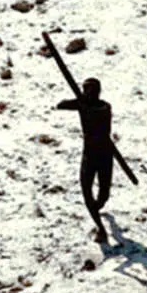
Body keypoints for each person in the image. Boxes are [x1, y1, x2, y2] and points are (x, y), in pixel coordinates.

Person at [56, 77, 115, 243]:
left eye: (88, 90)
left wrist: (79, 102)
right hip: (97, 154)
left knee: (102, 195)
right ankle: (100, 227)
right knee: (88, 191)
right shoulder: (92, 105)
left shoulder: (101, 108)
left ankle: (96, 210)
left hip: (99, 155)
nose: (86, 93)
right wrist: (79, 102)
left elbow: (68, 106)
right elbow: (61, 105)